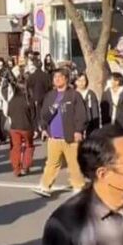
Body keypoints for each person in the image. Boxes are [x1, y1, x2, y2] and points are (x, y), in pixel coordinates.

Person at [34, 69, 88, 198]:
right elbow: (44, 114)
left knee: (74, 163)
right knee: (52, 163)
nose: (57, 79)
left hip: (70, 136)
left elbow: (81, 115)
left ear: (66, 79)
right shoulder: (50, 96)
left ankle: (78, 186)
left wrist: (78, 130)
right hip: (54, 136)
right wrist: (44, 128)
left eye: (60, 77)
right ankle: (45, 186)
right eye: (55, 77)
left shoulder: (74, 95)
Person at [7, 79, 36, 178]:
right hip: (26, 127)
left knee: (16, 147)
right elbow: (33, 116)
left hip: (14, 127)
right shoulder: (29, 100)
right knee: (29, 146)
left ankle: (16, 168)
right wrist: (35, 129)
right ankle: (25, 166)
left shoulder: (12, 100)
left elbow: (8, 113)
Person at [100, 72, 123, 137]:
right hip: (108, 123)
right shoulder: (106, 93)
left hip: (122, 123)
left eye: (111, 80)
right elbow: (103, 110)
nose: (109, 82)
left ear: (117, 81)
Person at [75, 73, 101, 137]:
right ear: (75, 82)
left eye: (83, 80)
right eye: (79, 80)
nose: (81, 83)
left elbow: (95, 111)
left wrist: (96, 126)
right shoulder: (72, 94)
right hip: (75, 125)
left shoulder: (91, 94)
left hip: (89, 123)